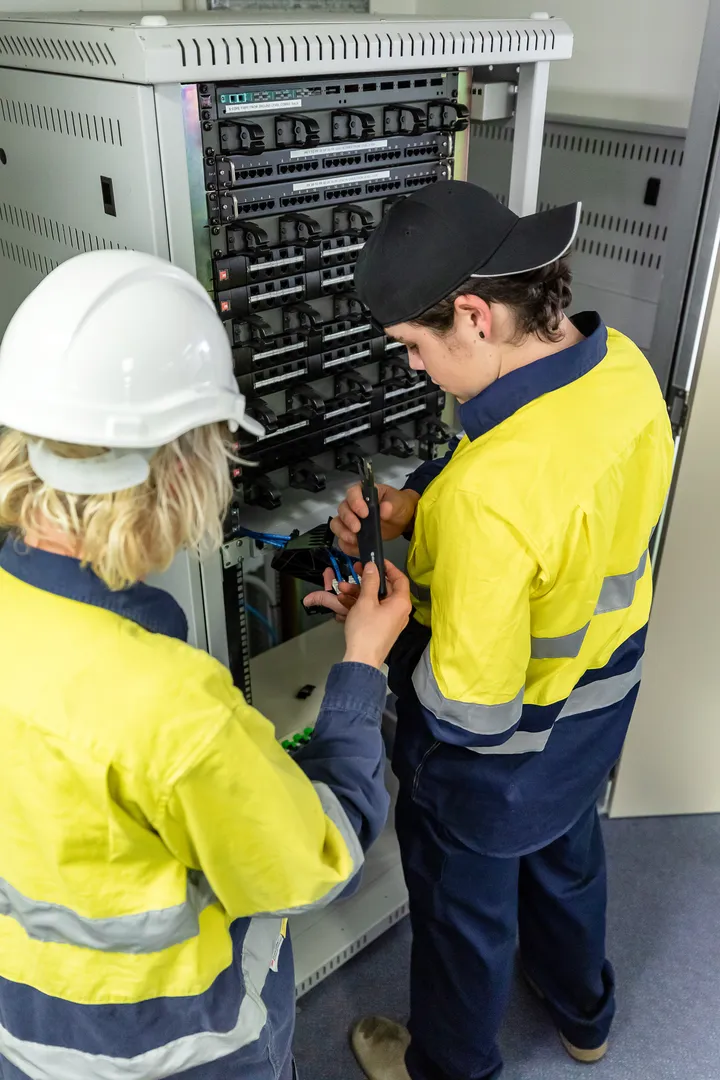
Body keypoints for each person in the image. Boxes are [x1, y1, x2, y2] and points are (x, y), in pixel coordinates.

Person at [0, 250, 412, 1080]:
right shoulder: (167, 702)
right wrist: (361, 667)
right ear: (182, 467)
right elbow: (314, 860)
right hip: (182, 1047)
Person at [325, 181, 675, 1080]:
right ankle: (585, 1016)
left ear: (474, 315)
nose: (411, 368)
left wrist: (384, 636)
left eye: (412, 346)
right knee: (567, 855)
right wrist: (420, 509)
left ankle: (450, 1067)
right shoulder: (624, 367)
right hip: (598, 701)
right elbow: (563, 516)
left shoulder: (492, 494)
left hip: (499, 754)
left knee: (463, 914)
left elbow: (470, 711)